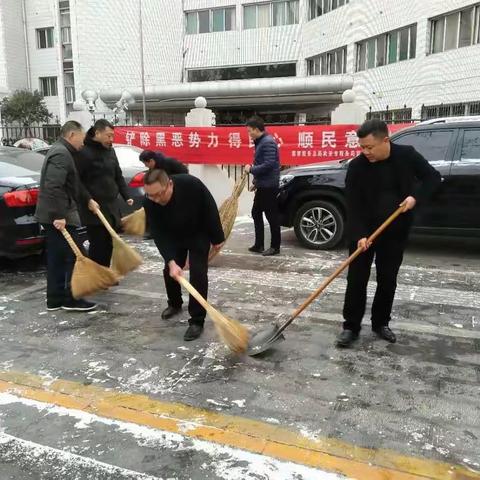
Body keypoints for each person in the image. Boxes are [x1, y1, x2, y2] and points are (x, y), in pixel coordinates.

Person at [337, 119, 442, 348]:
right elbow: (352, 204)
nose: (366, 152)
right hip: (364, 231)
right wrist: (359, 234)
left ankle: (381, 323)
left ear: (385, 140)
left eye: (370, 147)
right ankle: (350, 326)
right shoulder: (357, 167)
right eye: (362, 147)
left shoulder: (407, 156)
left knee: (387, 279)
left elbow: (433, 178)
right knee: (356, 279)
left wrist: (415, 197)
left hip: (394, 230)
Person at [143, 169, 225, 341]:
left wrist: (217, 238)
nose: (156, 200)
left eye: (159, 194)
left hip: (197, 232)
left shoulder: (191, 185)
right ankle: (174, 303)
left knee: (198, 273)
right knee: (169, 271)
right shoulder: (150, 201)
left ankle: (197, 320)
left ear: (170, 184)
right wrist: (171, 261)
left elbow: (209, 208)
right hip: (173, 235)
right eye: (151, 196)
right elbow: (158, 233)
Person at [35, 121, 97, 312]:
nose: (83, 143)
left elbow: (72, 182)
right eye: (82, 138)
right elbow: (54, 186)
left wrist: (88, 199)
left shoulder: (61, 151)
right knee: (74, 256)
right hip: (59, 216)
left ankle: (54, 299)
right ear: (72, 135)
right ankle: (71, 298)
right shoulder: (61, 153)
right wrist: (59, 215)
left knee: (56, 258)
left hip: (53, 215)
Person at [74, 119, 133, 267]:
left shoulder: (110, 151)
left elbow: (117, 175)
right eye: (108, 136)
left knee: (109, 241)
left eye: (113, 136)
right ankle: (98, 273)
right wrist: (88, 199)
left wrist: (127, 195)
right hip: (94, 207)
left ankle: (105, 272)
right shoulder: (84, 152)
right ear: (97, 133)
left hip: (111, 205)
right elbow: (77, 180)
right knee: (98, 242)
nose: (111, 139)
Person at [244, 116, 281, 256]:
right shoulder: (260, 142)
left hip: (269, 186)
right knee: (256, 212)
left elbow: (269, 164)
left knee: (272, 216)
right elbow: (263, 163)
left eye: (249, 131)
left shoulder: (267, 142)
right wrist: (256, 182)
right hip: (263, 184)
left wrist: (251, 169)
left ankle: (275, 247)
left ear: (256, 129)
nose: (249, 134)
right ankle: (259, 244)